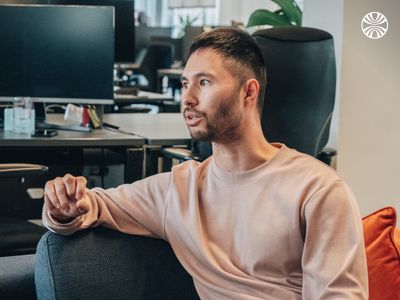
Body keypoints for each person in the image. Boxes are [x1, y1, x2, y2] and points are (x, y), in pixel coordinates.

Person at [42, 28, 368, 299]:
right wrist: (63, 204)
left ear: (248, 92)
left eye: (204, 82)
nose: (188, 98)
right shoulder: (179, 189)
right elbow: (92, 206)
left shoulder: (318, 190)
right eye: (185, 84)